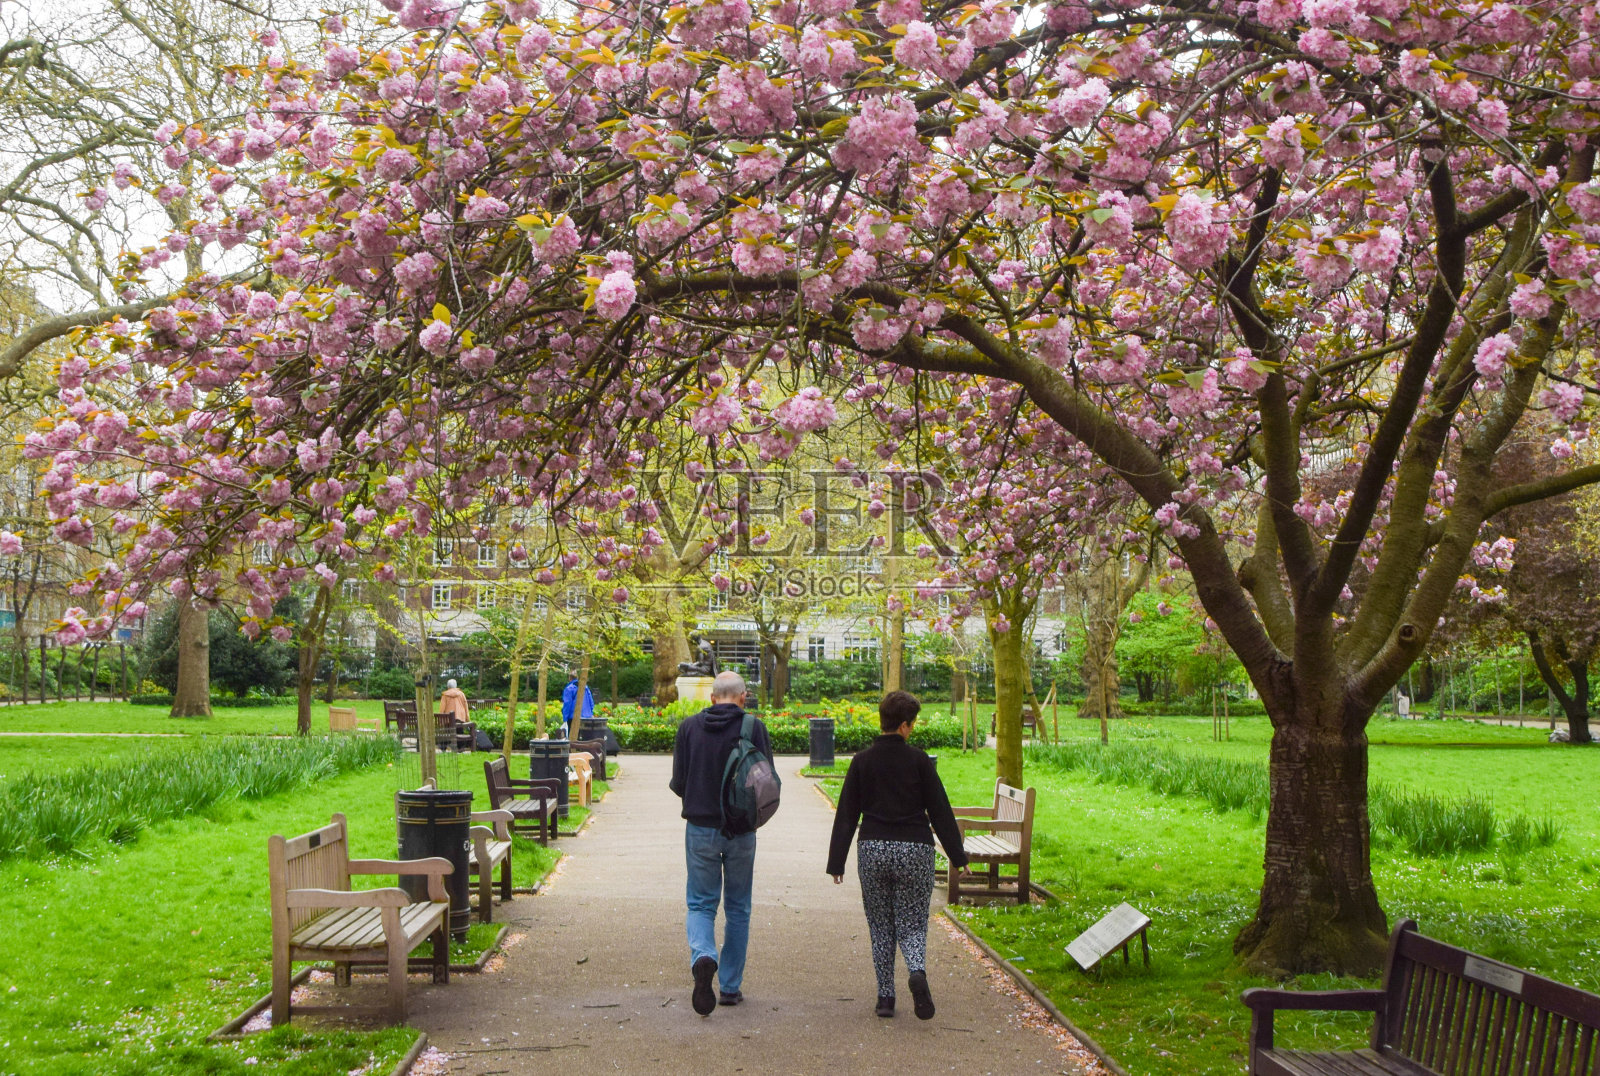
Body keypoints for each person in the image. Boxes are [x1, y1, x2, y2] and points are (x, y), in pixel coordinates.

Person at [827, 691, 968, 1020]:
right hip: (915, 850)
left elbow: (847, 813)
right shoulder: (919, 761)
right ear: (904, 725)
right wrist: (957, 856)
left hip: (873, 848)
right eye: (913, 724)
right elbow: (940, 811)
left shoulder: (862, 761)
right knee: (913, 922)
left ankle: (885, 998)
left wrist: (837, 862)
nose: (914, 729)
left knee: (880, 924)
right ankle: (916, 970)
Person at [668, 670, 773, 1016]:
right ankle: (729, 987)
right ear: (743, 697)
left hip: (700, 828)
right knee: (738, 907)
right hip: (741, 831)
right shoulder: (754, 727)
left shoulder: (688, 728)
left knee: (700, 904)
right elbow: (766, 782)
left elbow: (679, 783)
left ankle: (703, 955)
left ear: (712, 698)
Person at [560, 672, 594, 738]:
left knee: (573, 738)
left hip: (573, 718)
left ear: (569, 678)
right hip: (587, 717)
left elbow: (567, 705)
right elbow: (591, 703)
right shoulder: (585, 688)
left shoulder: (569, 689)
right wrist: (590, 713)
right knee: (585, 739)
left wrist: (565, 718)